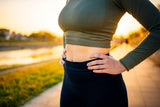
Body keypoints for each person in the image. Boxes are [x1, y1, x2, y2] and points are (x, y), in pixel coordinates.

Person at [58, 0, 160, 107]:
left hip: (100, 81)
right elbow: (68, 28)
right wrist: (65, 50)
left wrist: (123, 64)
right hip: (69, 79)